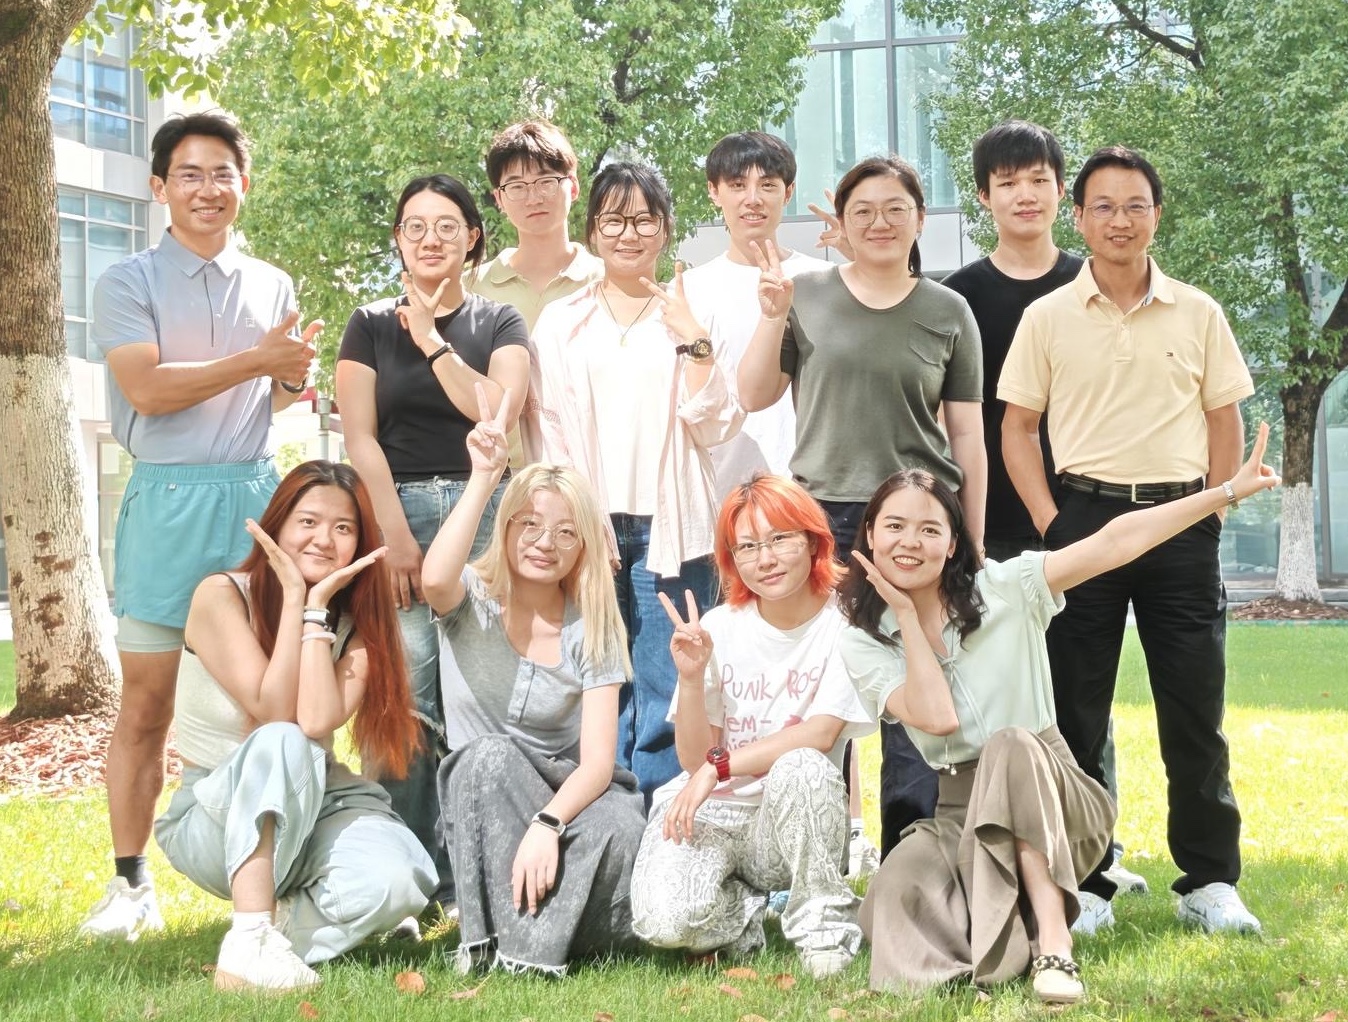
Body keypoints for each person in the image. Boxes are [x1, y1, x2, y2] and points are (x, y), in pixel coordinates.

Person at [841, 428, 1279, 1002]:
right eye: (895, 526)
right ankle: (983, 955)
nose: (910, 542)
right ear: (870, 536)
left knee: (1010, 744)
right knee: (898, 885)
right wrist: (904, 614)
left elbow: (1115, 542)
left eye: (930, 529)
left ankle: (1054, 944)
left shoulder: (1005, 588)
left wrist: (1224, 492)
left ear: (951, 545)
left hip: (1056, 796)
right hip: (958, 810)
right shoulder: (865, 641)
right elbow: (937, 717)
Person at [999, 145, 1261, 935]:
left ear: (1156, 214)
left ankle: (1208, 881)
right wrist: (1053, 525)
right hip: (1083, 523)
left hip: (1181, 525)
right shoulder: (1047, 316)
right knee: (1077, 712)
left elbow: (1224, 419)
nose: (1121, 220)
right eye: (1104, 207)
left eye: (1135, 205)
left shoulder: (1198, 311)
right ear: (1079, 218)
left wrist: (1211, 515)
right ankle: (1087, 879)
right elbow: (1018, 429)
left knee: (1195, 709)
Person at [82, 111, 321, 939]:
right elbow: (148, 392)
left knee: (275, 700)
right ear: (160, 187)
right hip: (166, 503)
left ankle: (287, 881)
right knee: (147, 705)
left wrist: (291, 377)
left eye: (222, 173)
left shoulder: (274, 283)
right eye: (189, 173)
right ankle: (130, 886)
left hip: (253, 501)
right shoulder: (126, 282)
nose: (207, 188)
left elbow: (275, 399)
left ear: (243, 184)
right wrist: (260, 361)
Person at [737, 155, 985, 857]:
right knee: (822, 685)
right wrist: (772, 317)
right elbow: (753, 394)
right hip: (822, 518)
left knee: (914, 679)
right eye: (863, 211)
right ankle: (818, 853)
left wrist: (970, 537)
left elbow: (967, 433)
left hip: (914, 522)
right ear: (841, 224)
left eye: (895, 209)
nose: (880, 222)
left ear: (919, 220)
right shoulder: (806, 294)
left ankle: (912, 854)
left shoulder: (948, 311)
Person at [943, 122, 1147, 898]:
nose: (1024, 195)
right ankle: (999, 842)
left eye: (1038, 180)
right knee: (996, 690)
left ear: (1062, 193)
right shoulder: (960, 296)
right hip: (989, 524)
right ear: (985, 196)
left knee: (1082, 689)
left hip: (1085, 518)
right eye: (1007, 183)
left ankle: (1096, 847)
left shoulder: (1093, 282)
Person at [153, 461, 436, 992]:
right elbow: (276, 711)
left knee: (398, 884)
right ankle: (251, 936)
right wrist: (292, 601)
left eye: (343, 528)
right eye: (308, 521)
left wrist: (315, 611)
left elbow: (318, 718)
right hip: (215, 817)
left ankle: (277, 932)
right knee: (281, 738)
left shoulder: (359, 626)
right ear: (277, 525)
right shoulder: (220, 595)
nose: (324, 539)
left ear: (360, 543)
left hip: (318, 805)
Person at [682, 130, 877, 877]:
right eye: (737, 184)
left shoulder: (822, 278)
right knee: (736, 677)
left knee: (827, 664)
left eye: (768, 183)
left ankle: (843, 828)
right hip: (721, 503)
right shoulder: (692, 287)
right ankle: (733, 829)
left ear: (787, 193)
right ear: (715, 194)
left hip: (811, 503)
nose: (752, 197)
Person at [336, 173, 530, 910]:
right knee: (407, 694)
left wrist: (431, 341)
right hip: (401, 513)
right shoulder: (367, 325)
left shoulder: (499, 320)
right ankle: (404, 877)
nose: (429, 239)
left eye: (447, 226)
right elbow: (360, 436)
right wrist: (392, 534)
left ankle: (476, 880)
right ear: (397, 239)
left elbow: (495, 414)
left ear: (473, 237)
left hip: (486, 512)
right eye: (414, 226)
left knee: (482, 691)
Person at [526, 160, 744, 795]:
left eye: (645, 220)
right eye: (614, 220)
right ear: (593, 230)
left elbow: (717, 423)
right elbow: (548, 426)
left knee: (669, 682)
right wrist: (578, 516)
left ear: (666, 229)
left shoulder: (691, 314)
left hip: (672, 527)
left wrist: (695, 342)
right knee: (600, 682)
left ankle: (666, 821)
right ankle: (610, 818)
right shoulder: (561, 321)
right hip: (588, 527)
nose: (629, 234)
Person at [425, 385, 646, 975]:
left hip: (560, 795)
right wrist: (484, 477)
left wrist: (549, 822)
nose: (545, 542)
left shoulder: (593, 625)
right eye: (530, 524)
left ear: (583, 547)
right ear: (506, 527)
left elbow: (597, 764)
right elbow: (433, 579)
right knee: (488, 756)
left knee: (623, 822)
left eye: (566, 532)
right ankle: (524, 944)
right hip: (483, 794)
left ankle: (525, 941)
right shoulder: (471, 598)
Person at [629, 475, 874, 978]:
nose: (766, 559)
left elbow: (821, 733)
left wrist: (719, 768)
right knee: (662, 923)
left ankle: (824, 928)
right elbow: (692, 760)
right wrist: (691, 679)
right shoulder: (719, 626)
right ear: (731, 559)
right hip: (714, 816)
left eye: (780, 539)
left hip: (789, 820)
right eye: (747, 547)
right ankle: (741, 914)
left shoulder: (844, 625)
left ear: (813, 541)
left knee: (803, 766)